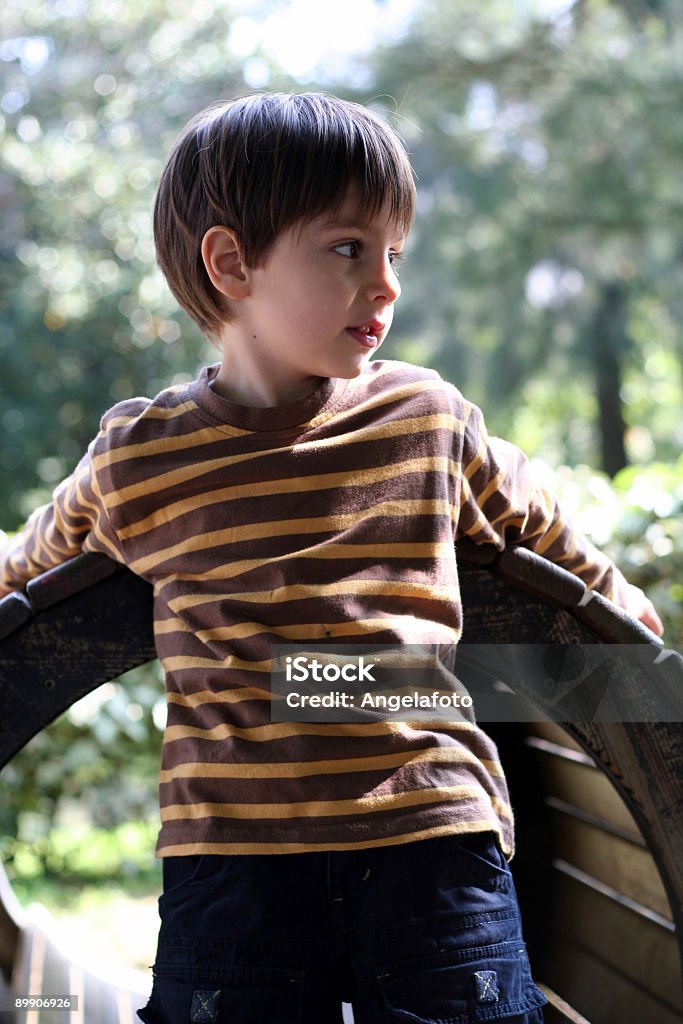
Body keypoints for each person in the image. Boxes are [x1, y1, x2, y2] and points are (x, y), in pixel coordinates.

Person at [0, 92, 663, 1024]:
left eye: (394, 253)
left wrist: (613, 598)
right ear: (232, 263)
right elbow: (32, 566)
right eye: (349, 248)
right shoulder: (142, 455)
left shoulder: (424, 418)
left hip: (431, 837)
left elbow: (535, 517)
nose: (386, 283)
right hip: (236, 862)